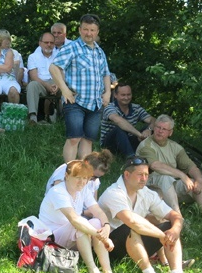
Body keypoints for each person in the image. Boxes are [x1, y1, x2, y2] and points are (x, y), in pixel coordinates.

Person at [98, 157, 192, 273]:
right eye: (140, 175)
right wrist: (161, 235)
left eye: (146, 175)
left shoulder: (147, 193)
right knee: (131, 228)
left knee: (170, 227)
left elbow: (175, 216)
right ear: (127, 175)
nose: (144, 178)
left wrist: (175, 230)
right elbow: (132, 221)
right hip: (110, 247)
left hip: (136, 244)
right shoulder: (114, 193)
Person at [39, 160, 119, 273]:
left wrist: (106, 226)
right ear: (67, 176)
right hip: (52, 240)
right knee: (79, 224)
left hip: (71, 235)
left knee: (97, 222)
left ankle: (107, 271)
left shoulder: (83, 190)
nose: (82, 182)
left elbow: (97, 211)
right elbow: (74, 219)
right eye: (78, 178)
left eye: (85, 178)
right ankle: (92, 269)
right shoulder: (57, 192)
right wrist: (102, 237)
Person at [49, 14, 111, 162]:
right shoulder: (71, 48)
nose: (88, 33)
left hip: (95, 103)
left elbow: (105, 74)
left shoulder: (99, 51)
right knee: (74, 138)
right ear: (79, 30)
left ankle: (83, 173)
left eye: (92, 30)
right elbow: (54, 67)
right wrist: (64, 89)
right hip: (75, 101)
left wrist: (108, 92)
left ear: (97, 32)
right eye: (85, 29)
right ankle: (69, 171)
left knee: (88, 140)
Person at [137, 114, 202, 218]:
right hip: (147, 187)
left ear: (170, 132)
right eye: (158, 127)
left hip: (169, 188)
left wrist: (200, 180)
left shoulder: (175, 147)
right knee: (165, 178)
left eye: (164, 129)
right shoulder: (146, 145)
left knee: (195, 182)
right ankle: (178, 219)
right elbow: (155, 165)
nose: (160, 131)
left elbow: (192, 167)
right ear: (154, 127)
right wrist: (182, 175)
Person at [45, 150, 114, 218]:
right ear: (86, 163)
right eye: (93, 176)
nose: (92, 180)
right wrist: (83, 213)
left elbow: (93, 202)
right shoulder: (67, 171)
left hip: (80, 214)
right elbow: (59, 199)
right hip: (61, 213)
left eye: (97, 177)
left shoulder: (94, 181)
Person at [100, 83, 155, 157]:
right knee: (118, 129)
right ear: (115, 95)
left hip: (128, 142)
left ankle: (155, 155)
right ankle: (132, 158)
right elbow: (118, 121)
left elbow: (153, 120)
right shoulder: (109, 108)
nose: (126, 97)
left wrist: (149, 129)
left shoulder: (136, 108)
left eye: (128, 94)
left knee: (157, 128)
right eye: (123, 95)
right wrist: (139, 135)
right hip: (110, 146)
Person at [27, 32, 59, 124]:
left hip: (57, 83)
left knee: (71, 87)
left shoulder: (59, 56)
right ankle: (33, 117)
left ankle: (65, 118)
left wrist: (57, 84)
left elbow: (62, 74)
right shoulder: (33, 57)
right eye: (46, 42)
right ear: (40, 43)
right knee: (32, 85)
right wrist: (47, 86)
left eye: (51, 43)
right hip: (41, 83)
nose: (49, 45)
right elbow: (34, 77)